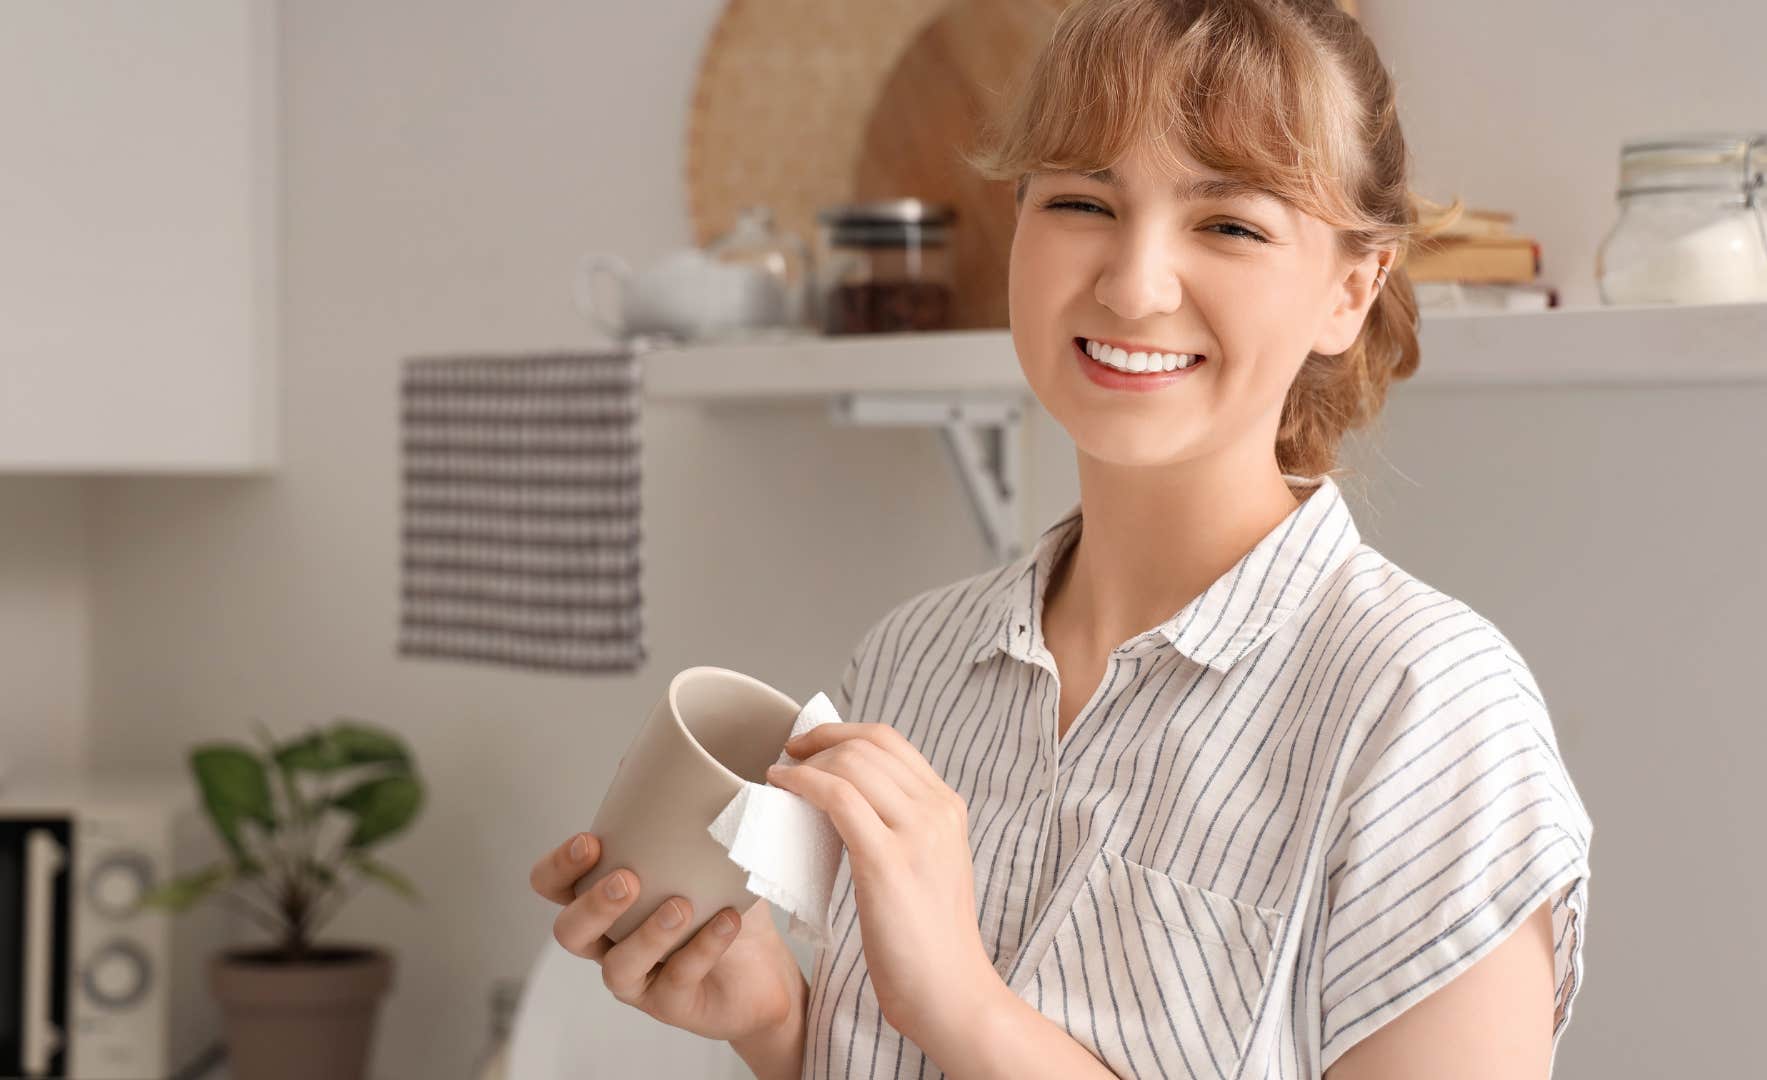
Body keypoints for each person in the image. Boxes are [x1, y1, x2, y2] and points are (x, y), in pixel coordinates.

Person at [529, 1, 1594, 1076]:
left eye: (1230, 225)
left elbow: (956, 1020)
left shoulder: (1431, 715)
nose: (1133, 284)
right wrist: (778, 1025)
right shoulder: (905, 663)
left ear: (1351, 290)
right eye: (1083, 201)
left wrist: (963, 1005)